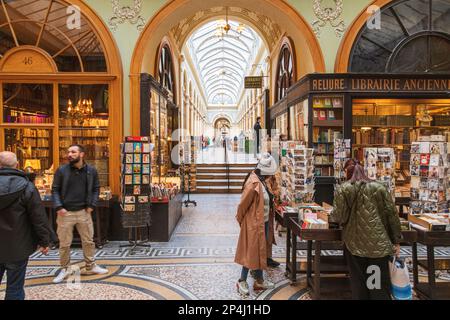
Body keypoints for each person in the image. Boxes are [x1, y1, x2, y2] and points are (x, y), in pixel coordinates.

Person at [332, 160, 402, 300]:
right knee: (377, 285)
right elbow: (392, 216)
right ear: (365, 173)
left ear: (349, 173)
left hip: (354, 244)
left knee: (359, 283)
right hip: (378, 246)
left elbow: (339, 217)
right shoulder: (380, 188)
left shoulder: (343, 188)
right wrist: (396, 240)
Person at [51, 145, 108, 283]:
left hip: (84, 212)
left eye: (73, 152)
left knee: (88, 241)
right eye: (68, 152)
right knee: (64, 244)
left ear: (81, 154)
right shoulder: (61, 170)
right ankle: (65, 269)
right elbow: (55, 190)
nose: (69, 154)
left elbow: (95, 189)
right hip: (65, 213)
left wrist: (91, 205)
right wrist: (59, 206)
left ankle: (91, 266)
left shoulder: (91, 171)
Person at [0, 152, 50, 300]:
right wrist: (44, 241)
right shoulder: (27, 187)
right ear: (16, 165)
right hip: (18, 246)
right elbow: (38, 217)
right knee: (15, 288)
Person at [235, 153, 277, 296]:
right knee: (250, 252)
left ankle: (259, 280)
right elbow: (242, 205)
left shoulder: (262, 180)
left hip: (263, 222)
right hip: (253, 223)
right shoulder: (253, 182)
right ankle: (241, 280)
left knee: (260, 251)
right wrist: (242, 222)